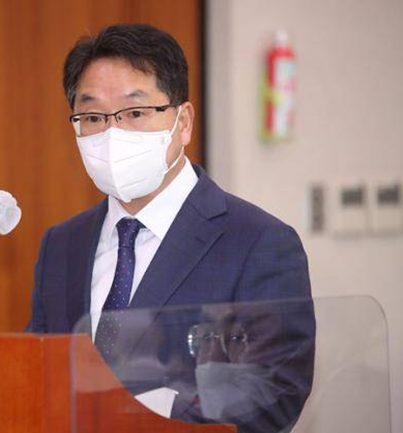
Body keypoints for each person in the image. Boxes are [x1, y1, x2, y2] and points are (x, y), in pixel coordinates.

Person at [26, 23, 314, 431]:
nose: (112, 133)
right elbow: (36, 371)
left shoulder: (259, 242)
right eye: (92, 116)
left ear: (183, 122)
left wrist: (147, 417)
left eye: (135, 113)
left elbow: (276, 391)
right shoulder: (61, 244)